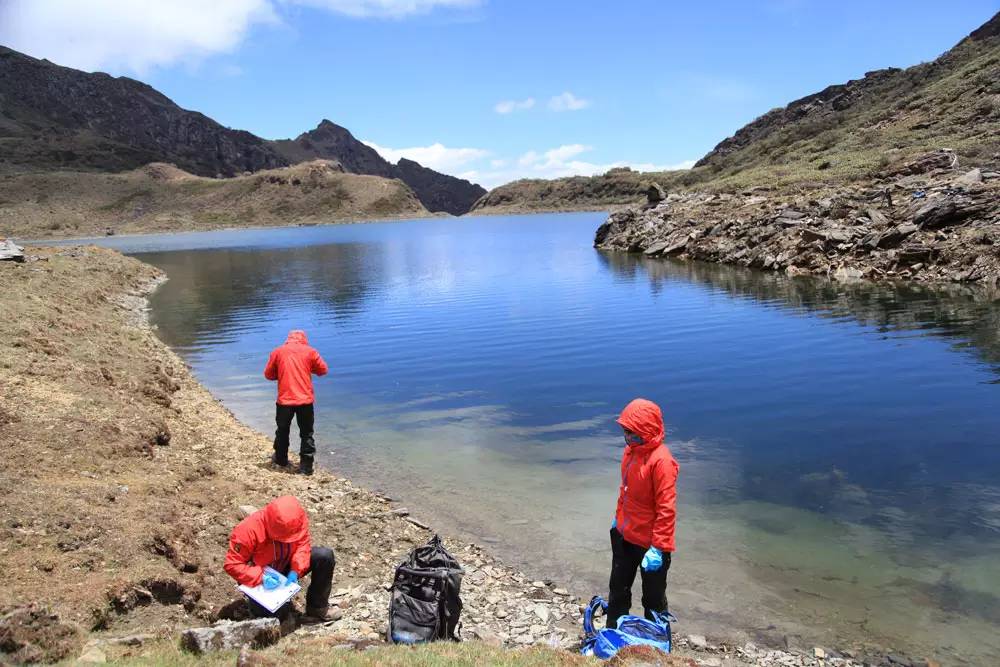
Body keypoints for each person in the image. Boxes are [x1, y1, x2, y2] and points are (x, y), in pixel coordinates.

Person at [606, 398, 679, 631]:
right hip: (624, 536)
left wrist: (659, 548)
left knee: (653, 601)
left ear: (647, 432)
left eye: (633, 434)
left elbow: (667, 509)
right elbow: (625, 490)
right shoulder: (631, 452)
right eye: (625, 432)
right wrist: (618, 519)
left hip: (650, 544)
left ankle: (658, 644)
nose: (628, 438)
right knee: (617, 592)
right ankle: (614, 637)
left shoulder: (662, 461)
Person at [224, 495, 336, 621]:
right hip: (259, 576)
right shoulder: (248, 530)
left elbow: (302, 545)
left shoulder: (296, 520)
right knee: (277, 617)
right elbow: (232, 565)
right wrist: (261, 577)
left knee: (324, 557)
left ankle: (317, 608)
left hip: (286, 565)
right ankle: (261, 611)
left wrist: (296, 570)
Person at [264, 330, 328, 475]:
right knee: (307, 433)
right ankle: (306, 467)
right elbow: (323, 370)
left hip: (285, 401)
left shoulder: (278, 352)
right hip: (305, 401)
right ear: (304, 339)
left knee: (282, 430)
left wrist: (281, 373)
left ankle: (281, 460)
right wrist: (308, 368)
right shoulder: (310, 352)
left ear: (288, 339)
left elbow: (268, 374)